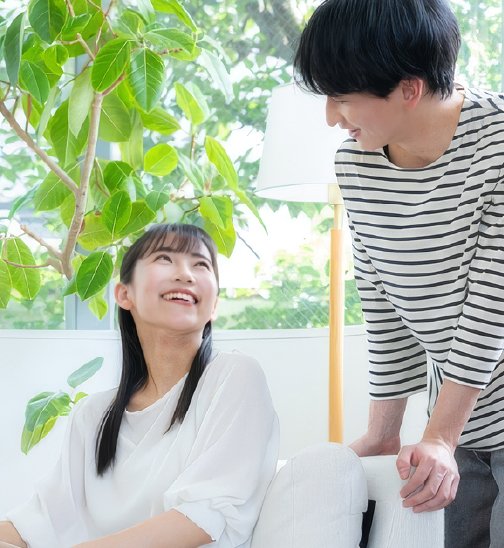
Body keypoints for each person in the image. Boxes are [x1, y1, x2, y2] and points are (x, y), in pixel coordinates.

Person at [294, 0, 504, 547]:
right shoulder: (355, 164)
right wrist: (385, 434)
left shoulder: (498, 145)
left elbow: (492, 304)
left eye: (342, 98)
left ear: (409, 88)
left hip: (456, 424)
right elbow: (382, 302)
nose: (332, 118)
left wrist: (440, 436)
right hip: (461, 425)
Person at [0, 223, 280, 548]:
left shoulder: (235, 376)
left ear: (213, 305)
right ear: (124, 294)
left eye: (201, 264)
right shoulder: (92, 415)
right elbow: (37, 523)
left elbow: (204, 518)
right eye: (165, 258)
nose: (185, 274)